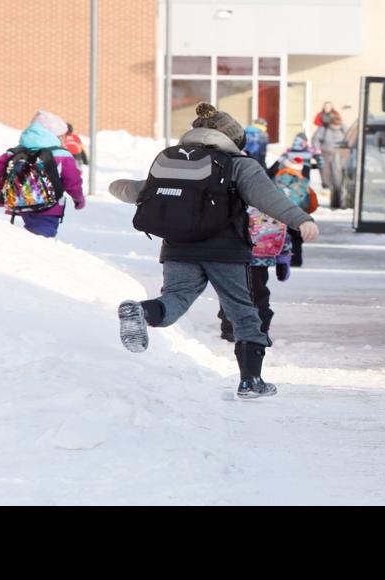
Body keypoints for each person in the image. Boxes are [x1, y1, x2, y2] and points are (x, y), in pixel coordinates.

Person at [109, 103, 321, 399]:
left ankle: (143, 312)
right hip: (226, 251)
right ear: (232, 138)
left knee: (176, 298)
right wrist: (301, 220)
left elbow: (135, 190)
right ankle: (251, 381)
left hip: (178, 247)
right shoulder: (239, 164)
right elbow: (268, 198)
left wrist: (115, 186)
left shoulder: (174, 162)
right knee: (243, 312)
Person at [218, 158, 317, 342]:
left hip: (234, 258)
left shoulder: (231, 200)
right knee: (259, 294)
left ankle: (229, 328)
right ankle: (261, 330)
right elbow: (280, 231)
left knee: (232, 294)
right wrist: (284, 259)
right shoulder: (271, 202)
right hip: (260, 260)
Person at [0, 111, 85, 238]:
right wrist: (78, 198)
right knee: (42, 240)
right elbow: (73, 181)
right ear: (55, 135)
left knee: (32, 236)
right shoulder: (62, 155)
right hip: (50, 207)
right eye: (62, 136)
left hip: (21, 203)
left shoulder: (13, 153)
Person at [312, 113, 352, 208]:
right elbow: (315, 139)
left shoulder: (343, 128)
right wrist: (317, 150)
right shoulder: (324, 129)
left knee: (338, 177)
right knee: (327, 175)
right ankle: (331, 191)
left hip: (341, 155)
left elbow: (349, 139)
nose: (336, 125)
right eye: (334, 123)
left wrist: (348, 150)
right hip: (326, 154)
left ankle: (337, 195)